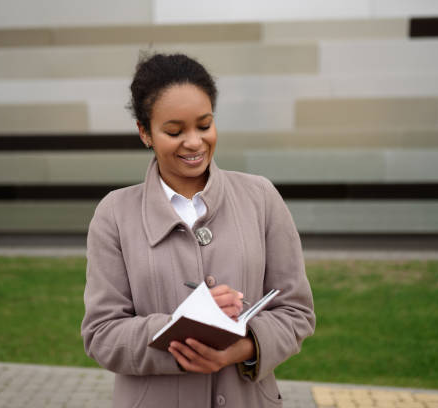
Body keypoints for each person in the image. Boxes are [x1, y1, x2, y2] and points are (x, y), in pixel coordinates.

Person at [81, 53, 315, 408]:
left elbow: (296, 312)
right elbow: (102, 335)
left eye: (204, 125)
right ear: (145, 132)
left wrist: (245, 347)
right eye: (174, 131)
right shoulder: (114, 214)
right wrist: (182, 327)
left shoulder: (261, 197)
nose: (194, 142)